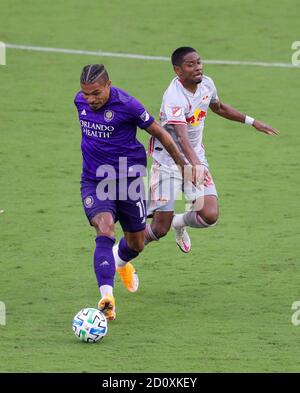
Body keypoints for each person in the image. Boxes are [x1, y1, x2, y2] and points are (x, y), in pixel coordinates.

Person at [113, 46, 279, 264]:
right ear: (178, 71)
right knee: (159, 228)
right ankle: (117, 258)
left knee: (209, 215)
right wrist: (196, 166)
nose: (198, 68)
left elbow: (218, 107)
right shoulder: (174, 97)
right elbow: (181, 138)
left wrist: (252, 122)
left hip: (195, 158)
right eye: (190, 65)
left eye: (199, 62)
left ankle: (179, 222)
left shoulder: (207, 84)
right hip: (168, 164)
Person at [74, 64, 188, 321]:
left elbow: (159, 132)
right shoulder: (79, 101)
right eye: (86, 94)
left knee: (136, 243)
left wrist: (182, 164)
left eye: (95, 93)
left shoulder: (128, 105)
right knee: (104, 228)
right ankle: (107, 298)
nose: (90, 99)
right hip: (95, 180)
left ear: (108, 84)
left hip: (129, 180)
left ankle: (123, 261)